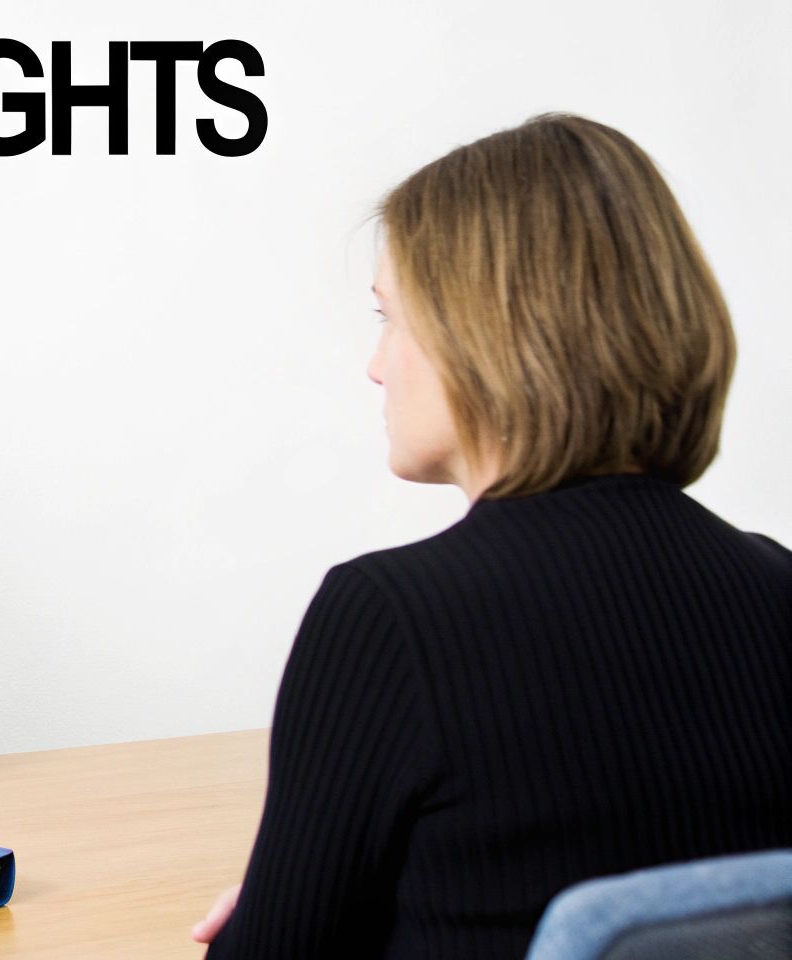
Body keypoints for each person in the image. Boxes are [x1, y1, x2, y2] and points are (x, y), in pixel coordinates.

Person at [193, 114, 792, 957]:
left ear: (482, 332)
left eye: (389, 319)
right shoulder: (777, 586)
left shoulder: (391, 617)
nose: (376, 366)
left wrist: (274, 908)